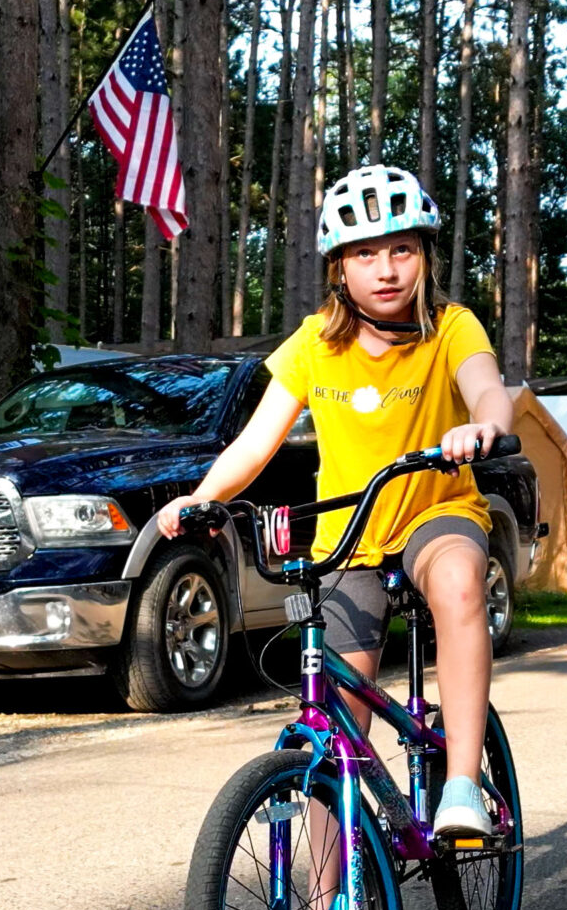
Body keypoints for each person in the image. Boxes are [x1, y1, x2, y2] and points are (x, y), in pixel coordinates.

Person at [157, 164, 516, 845]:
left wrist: (482, 426)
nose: (385, 269)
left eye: (402, 249)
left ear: (425, 256)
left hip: (436, 511)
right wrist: (202, 497)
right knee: (335, 729)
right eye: (364, 254)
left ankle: (463, 783)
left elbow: (489, 388)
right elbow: (257, 444)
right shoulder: (314, 346)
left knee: (459, 581)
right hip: (349, 534)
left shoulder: (451, 327)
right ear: (338, 270)